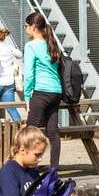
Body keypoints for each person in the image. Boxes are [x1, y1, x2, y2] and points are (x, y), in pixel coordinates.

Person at [21, 11, 64, 168]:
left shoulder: (31, 46)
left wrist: (27, 97)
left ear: (33, 27)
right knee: (53, 132)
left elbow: (29, 75)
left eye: (26, 26)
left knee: (30, 133)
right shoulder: (50, 43)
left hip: (41, 92)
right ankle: (54, 169)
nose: (25, 29)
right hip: (56, 92)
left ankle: (29, 168)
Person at [0, 126, 49, 196]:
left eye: (41, 155)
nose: (40, 159)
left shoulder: (32, 169)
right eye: (37, 155)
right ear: (22, 150)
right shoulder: (8, 173)